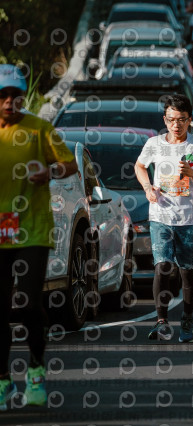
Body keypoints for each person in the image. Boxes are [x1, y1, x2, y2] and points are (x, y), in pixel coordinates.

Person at [0, 64, 79, 409]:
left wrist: (49, 171)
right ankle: (3, 380)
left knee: (28, 304)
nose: (9, 102)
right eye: (2, 96)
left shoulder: (39, 128)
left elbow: (70, 165)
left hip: (32, 228)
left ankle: (34, 370)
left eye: (15, 96)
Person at [135, 94, 193, 341]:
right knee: (162, 266)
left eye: (181, 120)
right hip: (160, 214)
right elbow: (140, 166)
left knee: (186, 272)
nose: (176, 125)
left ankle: (187, 318)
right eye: (171, 119)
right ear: (165, 120)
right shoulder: (154, 144)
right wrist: (148, 188)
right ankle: (161, 321)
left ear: (189, 120)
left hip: (190, 218)